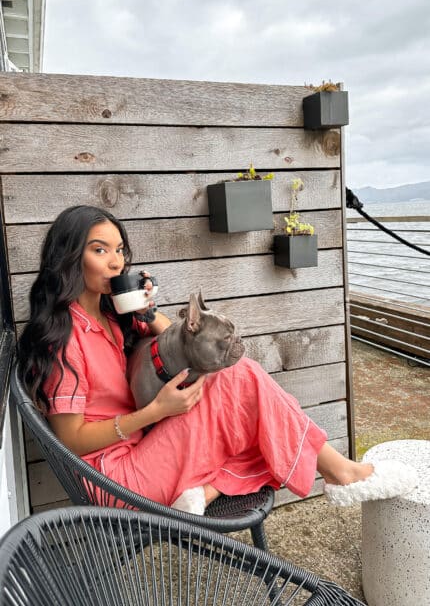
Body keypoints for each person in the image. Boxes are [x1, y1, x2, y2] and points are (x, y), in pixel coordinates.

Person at [18, 205, 417, 514]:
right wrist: (155, 412)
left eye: (119, 250)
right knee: (238, 378)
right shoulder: (65, 338)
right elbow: (70, 439)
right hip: (113, 480)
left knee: (251, 406)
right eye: (99, 250)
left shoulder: (109, 317)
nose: (116, 262)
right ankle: (338, 471)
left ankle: (206, 490)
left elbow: (174, 340)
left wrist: (141, 308)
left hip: (146, 447)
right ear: (69, 257)